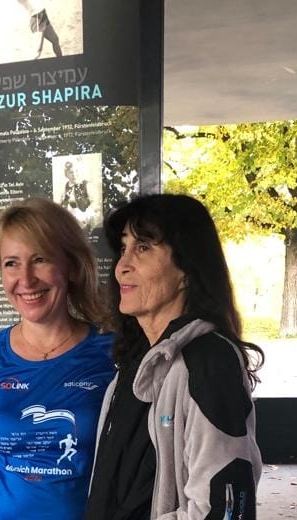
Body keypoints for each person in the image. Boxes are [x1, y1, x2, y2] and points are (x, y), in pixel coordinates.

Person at [86, 194, 264, 520]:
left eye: (143, 248)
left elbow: (222, 510)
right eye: (123, 248)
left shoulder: (208, 362)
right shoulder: (136, 362)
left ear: (186, 270)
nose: (122, 266)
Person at [0, 198, 115, 520]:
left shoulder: (112, 354)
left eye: (40, 259)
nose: (26, 280)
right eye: (11, 263)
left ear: (71, 267)